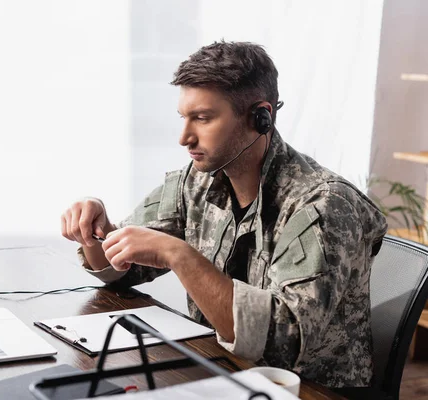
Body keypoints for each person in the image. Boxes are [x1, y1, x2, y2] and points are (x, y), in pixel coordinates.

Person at [60, 41, 387, 389]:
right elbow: (124, 271)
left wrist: (177, 254)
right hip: (220, 372)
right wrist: (96, 231)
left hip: (303, 390)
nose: (184, 137)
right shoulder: (197, 180)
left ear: (260, 117)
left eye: (202, 118)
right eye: (184, 118)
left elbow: (281, 345)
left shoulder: (322, 205)